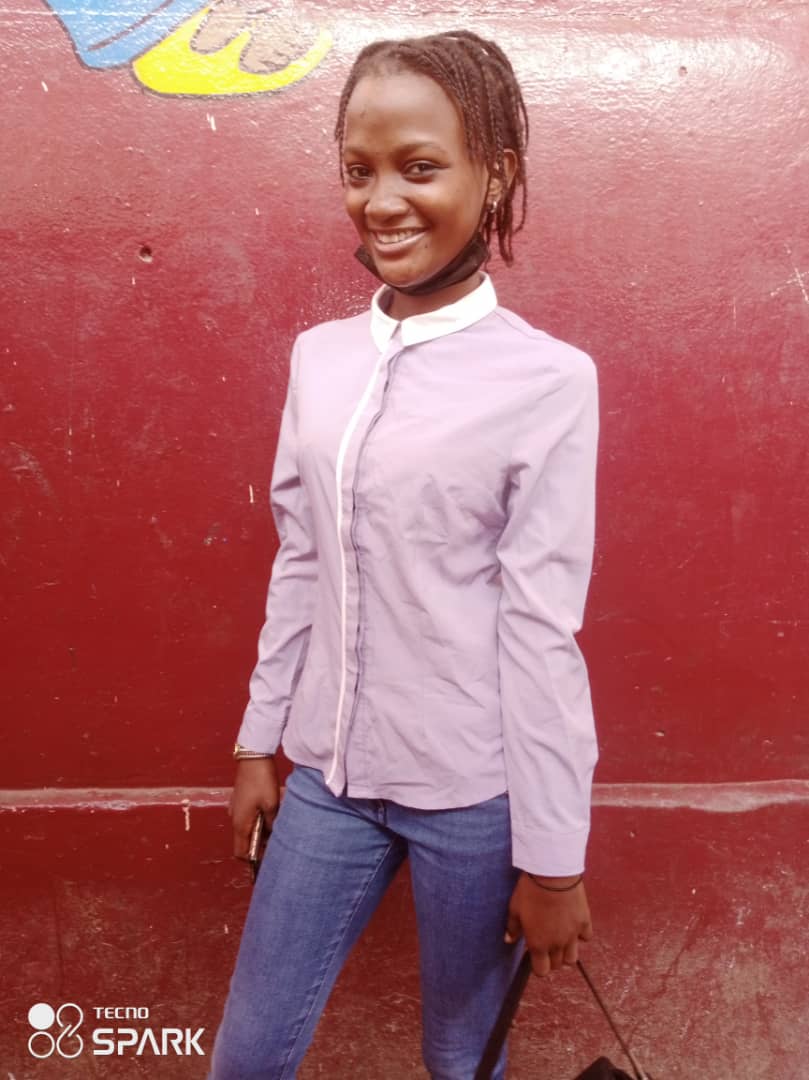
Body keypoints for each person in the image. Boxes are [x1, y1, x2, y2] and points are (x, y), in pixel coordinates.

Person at [208, 28, 599, 1080]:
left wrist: (553, 861)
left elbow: (540, 627)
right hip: (328, 783)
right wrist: (256, 742)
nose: (381, 201)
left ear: (493, 174)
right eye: (358, 170)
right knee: (247, 1056)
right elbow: (300, 559)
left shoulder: (549, 382)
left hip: (471, 796)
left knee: (460, 1061)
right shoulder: (320, 360)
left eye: (419, 168)